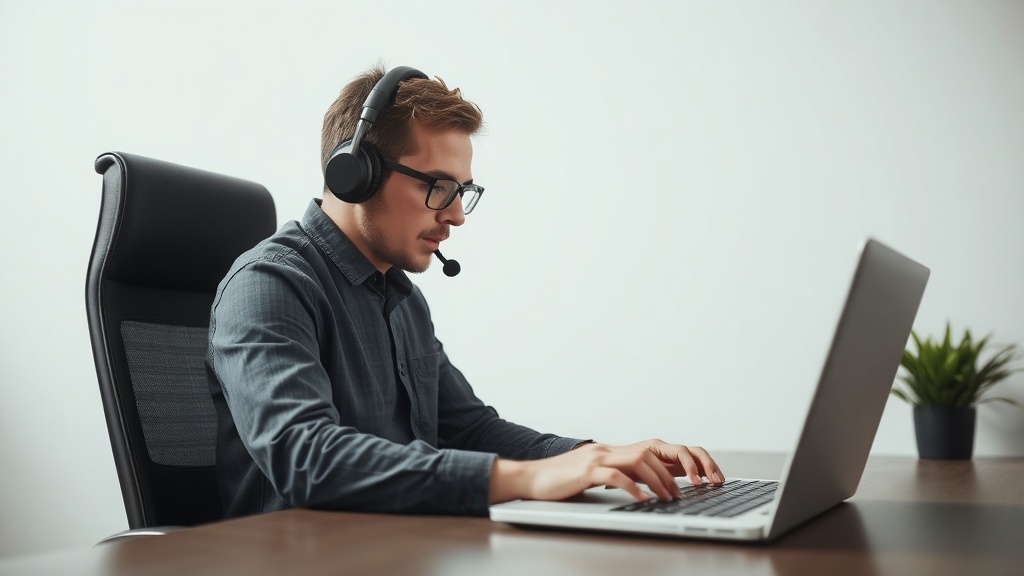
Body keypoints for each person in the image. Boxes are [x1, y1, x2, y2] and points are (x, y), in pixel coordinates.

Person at [207, 65, 724, 519]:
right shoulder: (268, 286)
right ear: (355, 176)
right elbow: (307, 459)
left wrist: (596, 458)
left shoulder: (401, 299)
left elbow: (470, 431)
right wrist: (526, 480)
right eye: (438, 185)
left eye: (463, 191)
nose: (455, 213)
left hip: (394, 549)